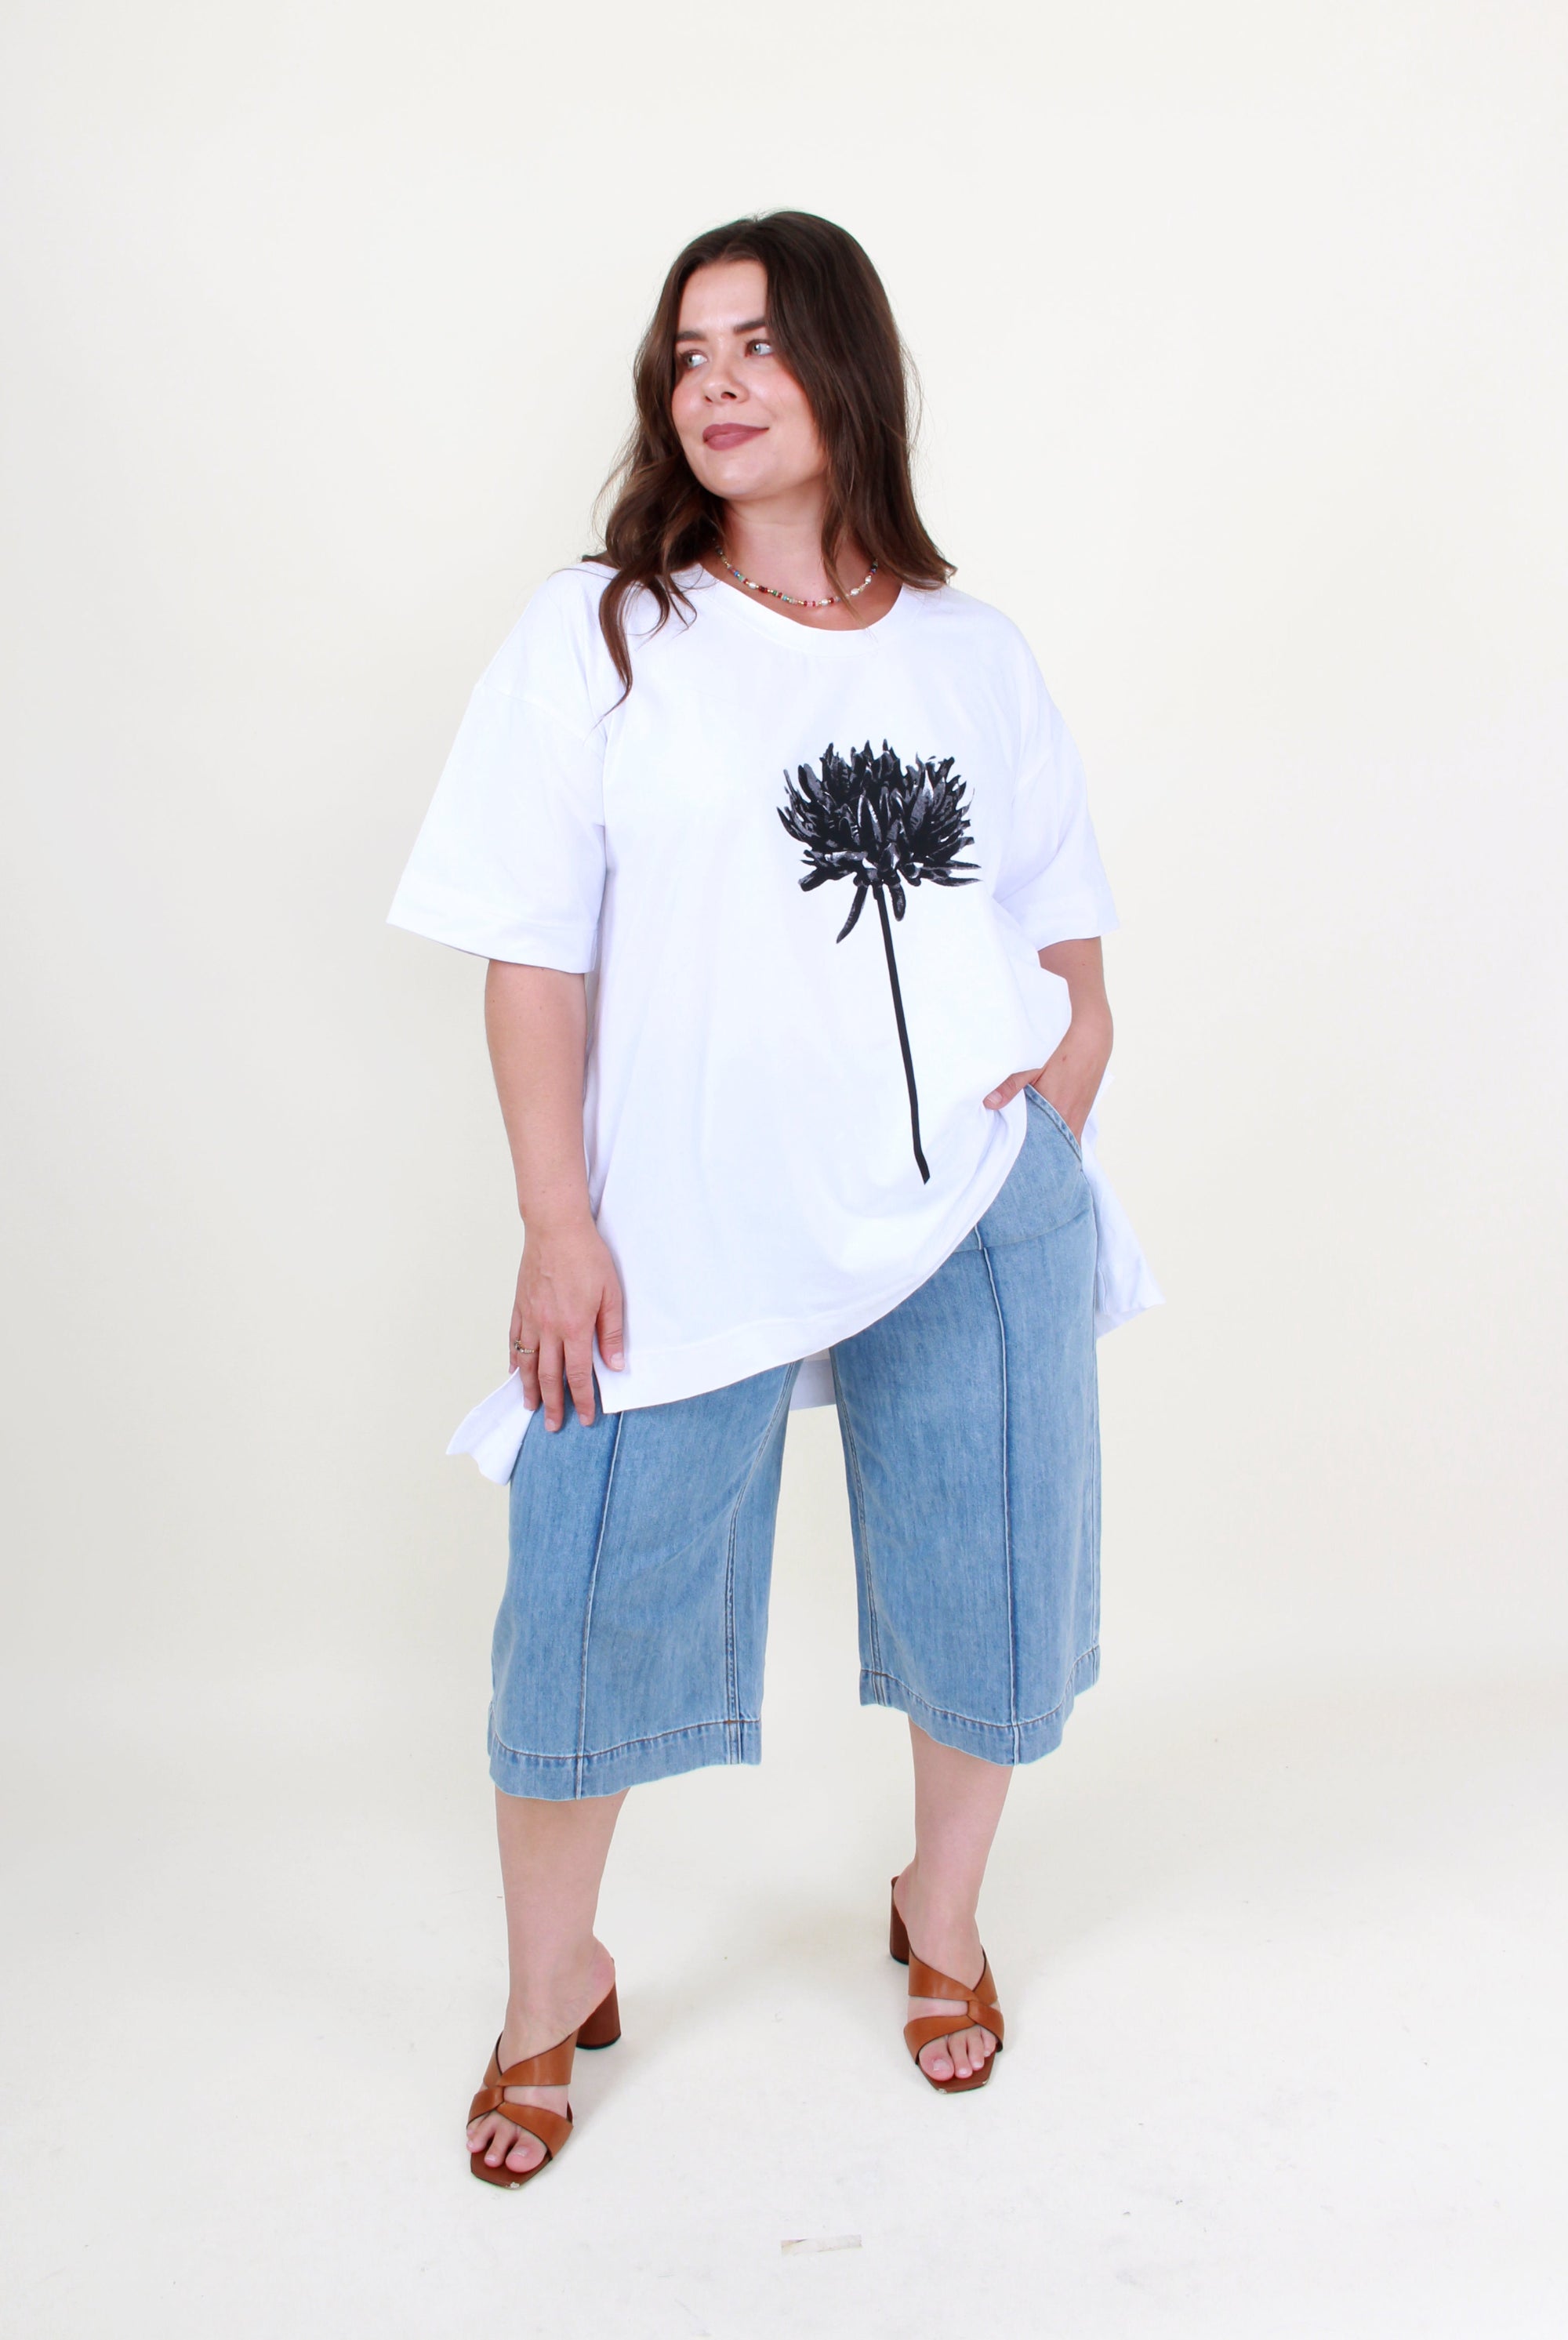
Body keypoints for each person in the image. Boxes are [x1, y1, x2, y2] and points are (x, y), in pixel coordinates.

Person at [389, 209, 1160, 2189]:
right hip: (679, 1228)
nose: (713, 382)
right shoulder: (604, 632)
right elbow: (529, 951)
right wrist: (562, 1223)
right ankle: (546, 1992)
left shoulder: (975, 652)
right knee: (581, 1608)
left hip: (971, 1199)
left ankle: (943, 1916)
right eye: (686, 354)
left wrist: (1046, 1128)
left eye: (755, 343)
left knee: (990, 1572)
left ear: (845, 371)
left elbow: (1068, 949)